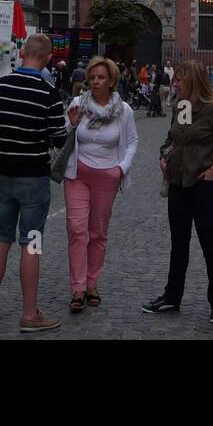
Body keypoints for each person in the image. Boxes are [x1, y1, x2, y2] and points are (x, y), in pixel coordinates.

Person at [0, 32, 69, 332]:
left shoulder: (1, 86)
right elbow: (59, 137)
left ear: (23, 54)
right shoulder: (48, 92)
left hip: (4, 174)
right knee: (31, 244)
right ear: (47, 58)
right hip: (33, 176)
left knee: (0, 239)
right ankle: (30, 314)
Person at [143, 61, 213, 324]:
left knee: (210, 243)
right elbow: (173, 139)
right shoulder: (181, 107)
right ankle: (172, 296)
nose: (176, 83)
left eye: (180, 80)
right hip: (178, 182)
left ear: (193, 82)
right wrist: (165, 156)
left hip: (204, 185)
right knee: (179, 242)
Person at [63, 57, 138, 313]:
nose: (95, 81)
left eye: (101, 77)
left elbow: (131, 143)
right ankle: (77, 286)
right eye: (92, 77)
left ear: (111, 81)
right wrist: (72, 123)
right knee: (76, 229)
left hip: (107, 176)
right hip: (78, 174)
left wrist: (121, 169)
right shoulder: (77, 104)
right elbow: (63, 135)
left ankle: (92, 282)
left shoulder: (124, 110)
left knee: (98, 232)